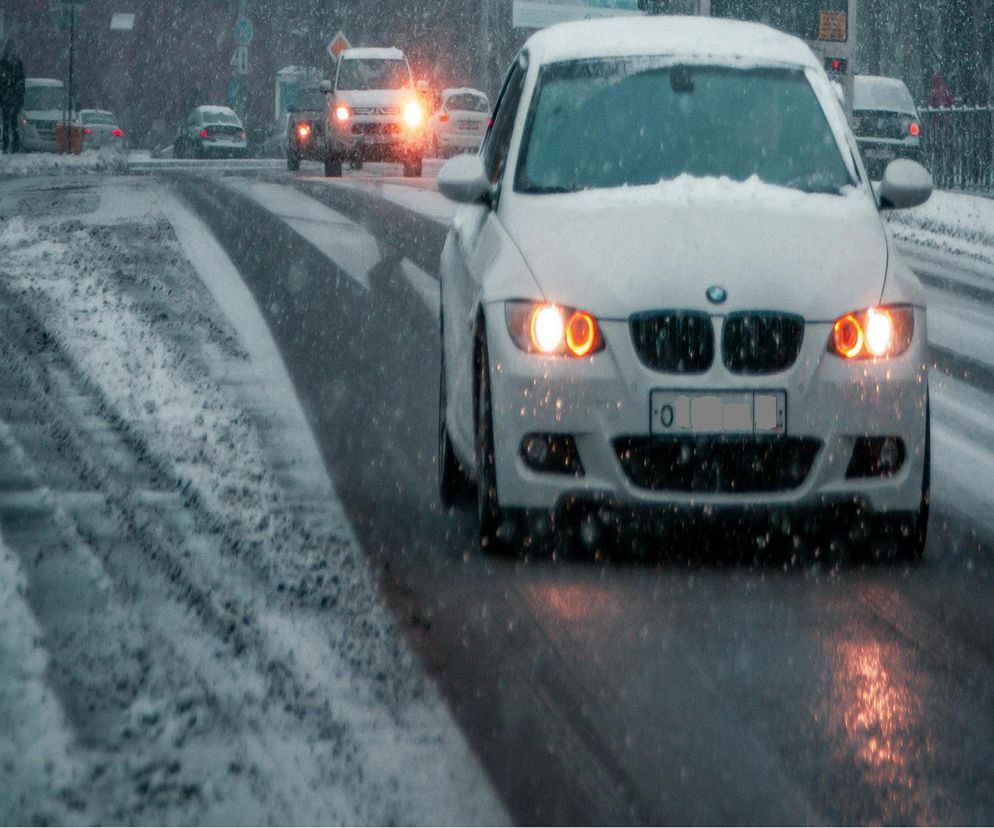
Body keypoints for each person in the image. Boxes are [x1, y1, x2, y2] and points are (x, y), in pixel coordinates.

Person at [0, 39, 26, 153]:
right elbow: (20, 82)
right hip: (9, 98)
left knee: (9, 122)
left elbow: (20, 82)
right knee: (10, 122)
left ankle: (10, 144)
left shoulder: (7, 63)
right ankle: (11, 144)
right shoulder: (10, 63)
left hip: (9, 98)